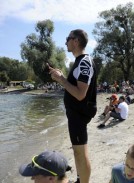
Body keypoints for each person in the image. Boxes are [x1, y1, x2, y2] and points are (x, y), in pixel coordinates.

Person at [49, 29, 97, 183]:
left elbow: (80, 94)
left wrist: (61, 79)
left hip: (79, 113)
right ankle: (79, 178)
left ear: (76, 41)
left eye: (67, 38)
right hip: (76, 112)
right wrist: (61, 77)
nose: (65, 42)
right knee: (78, 152)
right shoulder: (80, 61)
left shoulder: (84, 61)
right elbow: (75, 86)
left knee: (80, 153)